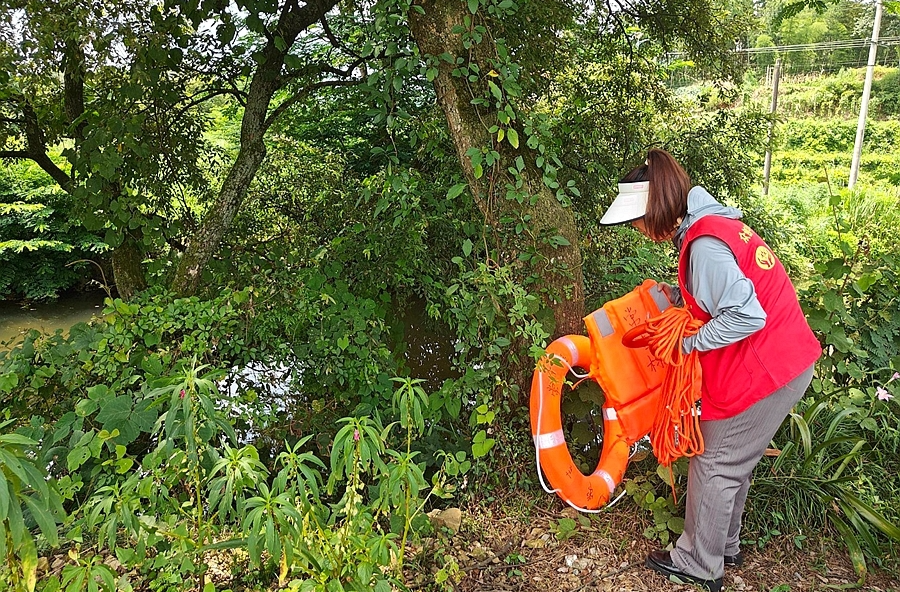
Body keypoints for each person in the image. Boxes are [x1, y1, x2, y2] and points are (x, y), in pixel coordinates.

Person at [599, 149, 822, 592]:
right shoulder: (711, 223)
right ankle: (726, 545)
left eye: (638, 223)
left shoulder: (703, 245)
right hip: (787, 357)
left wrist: (689, 341)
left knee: (715, 461)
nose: (640, 233)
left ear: (657, 209)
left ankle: (700, 562)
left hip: (769, 366)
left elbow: (747, 314)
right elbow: (722, 295)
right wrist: (682, 304)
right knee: (732, 458)